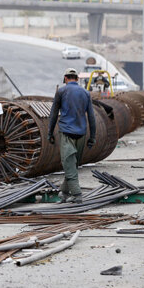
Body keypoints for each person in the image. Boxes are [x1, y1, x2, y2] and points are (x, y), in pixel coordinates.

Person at [47, 67, 97, 204]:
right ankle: (64, 193)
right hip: (81, 134)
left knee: (69, 165)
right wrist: (92, 137)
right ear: (77, 79)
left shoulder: (61, 91)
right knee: (72, 166)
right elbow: (92, 117)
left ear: (65, 78)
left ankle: (76, 194)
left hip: (66, 133)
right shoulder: (85, 93)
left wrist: (50, 133)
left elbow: (53, 114)